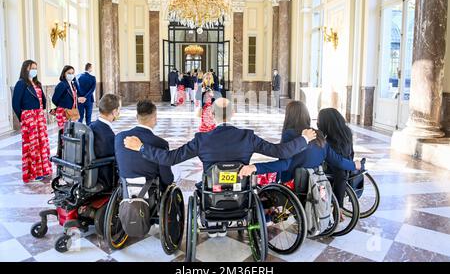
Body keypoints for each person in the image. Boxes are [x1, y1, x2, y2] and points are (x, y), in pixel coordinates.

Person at [123, 98, 316, 237]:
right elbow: (280, 151)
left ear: (212, 115)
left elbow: (170, 158)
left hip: (211, 196)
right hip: (242, 195)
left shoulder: (202, 139)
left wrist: (140, 147)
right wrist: (304, 139)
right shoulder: (247, 137)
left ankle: (211, 223)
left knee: (205, 184)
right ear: (233, 114)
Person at [238, 101, 362, 221]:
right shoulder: (318, 135)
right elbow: (337, 161)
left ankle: (265, 221)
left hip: (294, 185)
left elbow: (285, 164)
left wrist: (256, 167)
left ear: (289, 117)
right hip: (314, 183)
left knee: (261, 190)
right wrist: (354, 165)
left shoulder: (290, 134)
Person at [115, 100, 174, 191]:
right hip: (151, 191)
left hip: (125, 189)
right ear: (154, 118)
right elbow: (167, 179)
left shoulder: (119, 137)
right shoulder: (160, 143)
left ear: (137, 117)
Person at [12, 60, 52, 183]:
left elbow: (42, 101)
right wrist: (24, 118)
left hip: (39, 117)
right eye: (31, 68)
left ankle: (44, 170)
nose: (34, 70)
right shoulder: (21, 84)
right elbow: (15, 103)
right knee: (32, 146)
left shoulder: (37, 83)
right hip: (29, 118)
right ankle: (34, 173)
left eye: (35, 68)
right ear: (25, 69)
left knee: (42, 144)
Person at [317, 108, 355, 209]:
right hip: (347, 166)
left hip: (335, 169)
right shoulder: (347, 132)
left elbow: (331, 159)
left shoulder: (329, 140)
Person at [89, 94, 121, 191]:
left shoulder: (91, 125)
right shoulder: (108, 135)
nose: (119, 112)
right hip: (104, 177)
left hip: (90, 173)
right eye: (119, 109)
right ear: (114, 112)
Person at [52, 65, 81, 130]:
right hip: (63, 112)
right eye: (69, 73)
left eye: (72, 73)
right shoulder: (62, 84)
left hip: (71, 111)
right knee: (64, 132)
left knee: (71, 131)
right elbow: (54, 99)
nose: (71, 75)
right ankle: (61, 140)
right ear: (64, 74)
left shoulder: (72, 84)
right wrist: (61, 106)